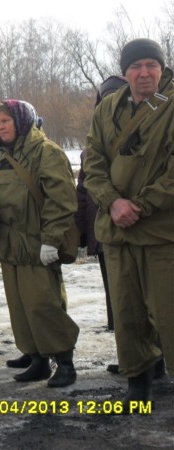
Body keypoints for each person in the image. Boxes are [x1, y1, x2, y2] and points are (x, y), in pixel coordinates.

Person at [83, 38, 173, 410]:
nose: (144, 72)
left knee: (169, 313)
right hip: (118, 232)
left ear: (162, 69)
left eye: (152, 65)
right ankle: (137, 378)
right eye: (136, 66)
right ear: (125, 72)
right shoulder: (107, 111)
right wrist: (114, 202)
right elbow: (93, 165)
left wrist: (139, 205)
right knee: (127, 312)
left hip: (161, 233)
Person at [0, 99, 79, 388]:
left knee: (44, 304)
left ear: (23, 121)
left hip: (38, 246)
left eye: (6, 121)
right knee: (21, 307)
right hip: (10, 247)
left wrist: (51, 240)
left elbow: (61, 200)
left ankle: (65, 361)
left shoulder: (46, 152)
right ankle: (37, 358)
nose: (1, 127)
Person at [77, 76, 128, 335]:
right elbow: (83, 192)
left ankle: (153, 359)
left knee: (138, 297)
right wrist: (82, 233)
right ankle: (125, 354)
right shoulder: (91, 146)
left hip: (132, 229)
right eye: (104, 98)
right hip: (102, 233)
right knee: (114, 295)